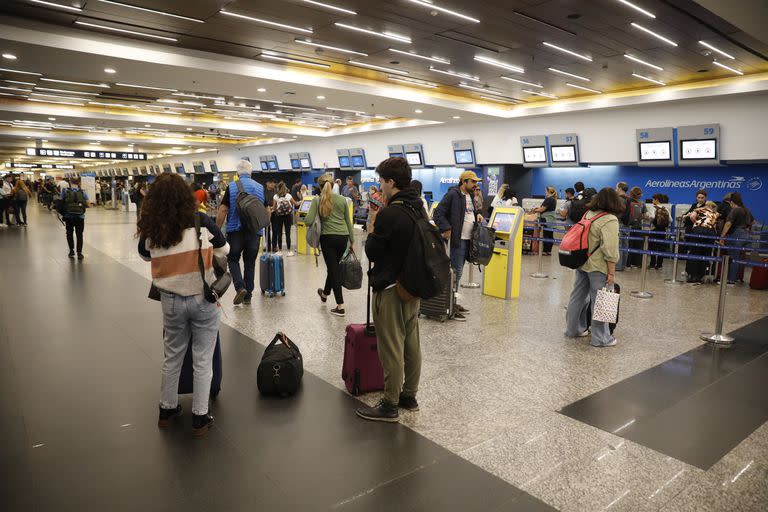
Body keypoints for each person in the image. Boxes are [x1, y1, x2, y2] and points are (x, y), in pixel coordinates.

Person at [137, 173, 228, 437]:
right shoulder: (201, 221)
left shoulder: (153, 227)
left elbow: (144, 255)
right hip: (203, 299)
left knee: (173, 354)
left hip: (170, 300)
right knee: (202, 358)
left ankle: (167, 409)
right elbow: (225, 249)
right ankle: (200, 416)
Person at [356, 157, 423, 423]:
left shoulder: (390, 213)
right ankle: (409, 395)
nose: (379, 186)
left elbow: (372, 251)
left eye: (381, 181)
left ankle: (390, 403)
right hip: (413, 286)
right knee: (411, 343)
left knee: (391, 347)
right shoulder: (418, 207)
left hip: (392, 289)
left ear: (391, 182)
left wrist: (372, 228)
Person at [564, 187, 623, 348]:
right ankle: (601, 338)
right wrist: (612, 272)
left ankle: (572, 330)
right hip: (598, 266)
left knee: (577, 296)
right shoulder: (610, 219)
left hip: (582, 261)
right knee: (602, 301)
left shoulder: (588, 214)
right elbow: (610, 248)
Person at [433, 170, 483, 321]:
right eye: (473, 182)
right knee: (456, 273)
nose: (475, 185)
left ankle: (452, 302)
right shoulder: (453, 194)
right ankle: (449, 304)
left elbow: (467, 214)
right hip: (458, 240)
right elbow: (438, 213)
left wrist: (478, 214)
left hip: (468, 240)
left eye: (476, 182)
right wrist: (446, 228)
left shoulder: (470, 196)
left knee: (458, 273)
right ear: (464, 181)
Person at [304, 173, 355, 316]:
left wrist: (301, 217)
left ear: (320, 186)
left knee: (334, 270)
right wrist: (352, 240)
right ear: (333, 185)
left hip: (328, 239)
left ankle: (340, 306)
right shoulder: (343, 200)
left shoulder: (317, 200)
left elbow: (308, 221)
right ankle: (325, 294)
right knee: (333, 267)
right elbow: (348, 221)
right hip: (343, 238)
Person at [216, 159, 265, 305]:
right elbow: (266, 210)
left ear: (237, 173)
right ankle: (248, 296)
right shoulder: (260, 188)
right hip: (254, 232)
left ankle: (240, 288)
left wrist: (217, 229)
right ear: (251, 172)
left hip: (235, 231)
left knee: (232, 259)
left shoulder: (231, 187)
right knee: (250, 263)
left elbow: (223, 209)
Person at [719, 192, 753, 285]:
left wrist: (722, 237)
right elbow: (753, 222)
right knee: (740, 258)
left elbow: (728, 224)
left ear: (732, 202)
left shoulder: (735, 210)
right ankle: (738, 278)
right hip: (746, 235)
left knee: (733, 258)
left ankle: (731, 280)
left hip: (736, 235)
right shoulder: (746, 210)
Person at [685, 201, 719, 284]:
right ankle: (700, 276)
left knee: (694, 252)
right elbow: (714, 224)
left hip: (698, 230)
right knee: (705, 254)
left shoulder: (698, 210)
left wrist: (697, 223)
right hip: (710, 232)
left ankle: (692, 276)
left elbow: (692, 217)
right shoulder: (716, 213)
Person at [61, 177, 90, 259]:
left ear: (70, 182)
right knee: (79, 234)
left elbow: (61, 201)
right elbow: (88, 205)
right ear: (79, 182)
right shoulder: (83, 192)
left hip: (68, 216)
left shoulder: (65, 191)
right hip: (80, 217)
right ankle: (79, 253)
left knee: (69, 234)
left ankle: (71, 251)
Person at [530, 186, 558, 256]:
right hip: (551, 219)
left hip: (546, 219)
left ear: (548, 191)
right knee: (550, 234)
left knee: (546, 235)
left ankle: (545, 251)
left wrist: (534, 210)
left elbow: (542, 209)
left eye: (545, 190)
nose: (545, 192)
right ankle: (549, 251)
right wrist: (538, 208)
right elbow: (544, 208)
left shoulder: (548, 199)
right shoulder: (553, 199)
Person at [272, 181, 296, 256]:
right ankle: (289, 251)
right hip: (288, 216)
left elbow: (274, 208)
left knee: (279, 233)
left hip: (279, 216)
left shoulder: (275, 196)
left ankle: (279, 251)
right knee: (288, 233)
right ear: (285, 188)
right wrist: (302, 201)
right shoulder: (288, 195)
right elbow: (295, 203)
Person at [625, 187, 648, 268]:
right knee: (638, 245)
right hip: (638, 226)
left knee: (628, 245)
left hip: (628, 226)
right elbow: (645, 216)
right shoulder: (642, 204)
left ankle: (627, 263)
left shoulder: (627, 202)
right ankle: (637, 263)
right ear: (640, 194)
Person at [648, 194, 670, 270]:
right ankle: (659, 265)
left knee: (652, 247)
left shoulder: (653, 208)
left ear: (657, 200)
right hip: (663, 230)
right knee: (661, 248)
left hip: (654, 229)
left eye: (653, 199)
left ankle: (652, 264)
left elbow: (652, 217)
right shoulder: (666, 208)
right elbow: (670, 220)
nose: (652, 201)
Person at [615, 182, 630, 271]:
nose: (616, 189)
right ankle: (623, 265)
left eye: (616, 187)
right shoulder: (629, 199)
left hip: (619, 223)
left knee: (619, 246)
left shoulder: (619, 199)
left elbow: (617, 212)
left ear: (620, 188)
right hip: (627, 224)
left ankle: (618, 266)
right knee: (625, 245)